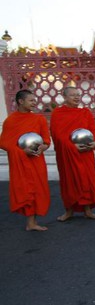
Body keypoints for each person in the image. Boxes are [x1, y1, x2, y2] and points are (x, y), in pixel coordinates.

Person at [0, 90, 51, 231]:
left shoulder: (39, 119)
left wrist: (43, 147)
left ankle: (33, 222)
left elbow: (46, 140)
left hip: (36, 160)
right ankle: (30, 223)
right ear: (21, 102)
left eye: (35, 100)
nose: (34, 103)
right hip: (20, 162)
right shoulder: (11, 121)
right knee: (26, 189)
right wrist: (22, 152)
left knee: (37, 189)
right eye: (31, 100)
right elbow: (4, 143)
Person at [50, 86, 95, 221]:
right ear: (65, 97)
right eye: (72, 95)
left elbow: (93, 129)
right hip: (68, 153)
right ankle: (69, 211)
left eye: (78, 95)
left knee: (87, 180)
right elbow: (57, 135)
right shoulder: (58, 113)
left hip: (86, 152)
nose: (76, 97)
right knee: (69, 181)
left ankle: (88, 210)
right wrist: (72, 147)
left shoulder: (85, 112)